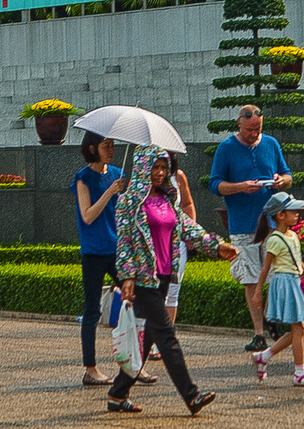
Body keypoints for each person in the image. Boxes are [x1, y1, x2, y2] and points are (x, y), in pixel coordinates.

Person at [106, 144, 239, 416]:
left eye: (163, 167)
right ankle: (192, 396)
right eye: (154, 167)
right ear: (142, 167)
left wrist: (216, 246)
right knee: (166, 335)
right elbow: (124, 242)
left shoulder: (167, 200)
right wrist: (127, 275)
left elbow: (188, 230)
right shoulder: (129, 201)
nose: (159, 172)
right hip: (143, 279)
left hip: (165, 275)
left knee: (148, 340)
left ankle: (117, 393)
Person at [207, 104, 293, 352]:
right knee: (250, 278)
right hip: (242, 224)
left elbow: (288, 175)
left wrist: (280, 181)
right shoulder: (226, 149)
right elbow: (215, 185)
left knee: (277, 274)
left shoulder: (271, 144)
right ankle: (258, 332)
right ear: (239, 124)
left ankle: (271, 318)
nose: (254, 134)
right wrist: (240, 187)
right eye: (249, 130)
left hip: (272, 222)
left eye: (258, 129)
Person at [250, 191, 304, 387]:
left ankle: (264, 357)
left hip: (294, 281)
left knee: (298, 329)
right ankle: (299, 372)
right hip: (285, 284)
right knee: (298, 327)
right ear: (280, 215)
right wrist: (258, 291)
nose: (297, 214)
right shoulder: (275, 239)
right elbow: (266, 267)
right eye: (293, 211)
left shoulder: (292, 235)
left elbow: (298, 262)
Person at [73, 131, 128, 387]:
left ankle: (132, 365)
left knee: (137, 300)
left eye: (112, 145)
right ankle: (90, 368)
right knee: (92, 311)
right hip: (94, 253)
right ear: (93, 148)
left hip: (117, 249)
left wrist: (124, 195)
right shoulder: (83, 178)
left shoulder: (118, 174)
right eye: (106, 145)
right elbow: (88, 216)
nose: (111, 149)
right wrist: (109, 192)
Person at [165, 155, 196, 327]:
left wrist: (190, 233)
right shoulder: (143, 178)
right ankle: (151, 337)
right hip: (154, 243)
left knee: (173, 291)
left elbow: (187, 204)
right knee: (155, 291)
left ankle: (165, 337)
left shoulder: (178, 177)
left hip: (177, 241)